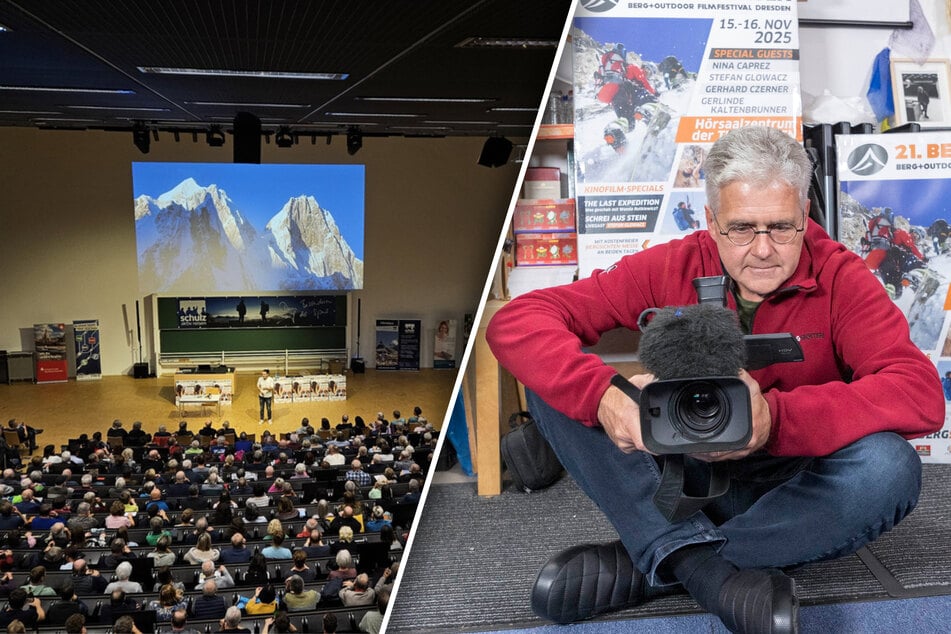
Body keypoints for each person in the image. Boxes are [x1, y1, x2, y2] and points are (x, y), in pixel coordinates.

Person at [485, 125, 945, 632]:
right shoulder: (673, 263)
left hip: (788, 484)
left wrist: (774, 420)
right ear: (711, 221)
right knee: (555, 385)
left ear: (805, 217)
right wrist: (602, 399)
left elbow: (919, 392)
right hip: (683, 472)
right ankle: (705, 572)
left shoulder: (843, 278)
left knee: (889, 469)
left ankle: (656, 559)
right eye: (742, 228)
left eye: (782, 227)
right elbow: (517, 321)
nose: (764, 249)